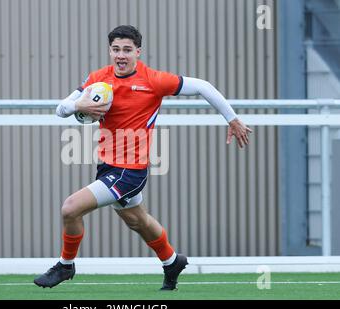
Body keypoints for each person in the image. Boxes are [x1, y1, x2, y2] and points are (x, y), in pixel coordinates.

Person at [34, 25, 252, 290]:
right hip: (107, 165)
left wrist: (232, 119)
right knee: (138, 221)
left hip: (130, 171)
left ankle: (65, 266)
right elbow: (61, 109)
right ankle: (172, 261)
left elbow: (203, 86)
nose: (121, 55)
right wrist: (78, 105)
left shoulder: (153, 80)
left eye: (127, 50)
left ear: (138, 51)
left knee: (70, 208)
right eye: (116, 50)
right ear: (109, 51)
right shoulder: (99, 79)